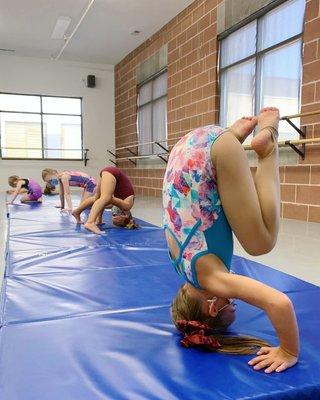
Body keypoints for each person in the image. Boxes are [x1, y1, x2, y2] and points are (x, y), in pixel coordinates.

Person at [163, 108, 299, 373]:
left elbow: (280, 303)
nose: (233, 301)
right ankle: (234, 134)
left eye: (232, 305)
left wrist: (288, 350)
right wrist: (226, 139)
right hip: (188, 146)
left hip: (217, 152)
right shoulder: (179, 266)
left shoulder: (212, 281)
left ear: (213, 307)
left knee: (261, 244)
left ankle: (268, 146)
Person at [72, 166, 135, 234]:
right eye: (116, 216)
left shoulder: (118, 203)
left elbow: (102, 203)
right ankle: (90, 222)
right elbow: (108, 200)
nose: (114, 217)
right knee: (106, 198)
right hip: (113, 173)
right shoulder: (127, 205)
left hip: (110, 173)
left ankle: (77, 211)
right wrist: (127, 221)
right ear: (124, 215)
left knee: (98, 198)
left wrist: (99, 219)